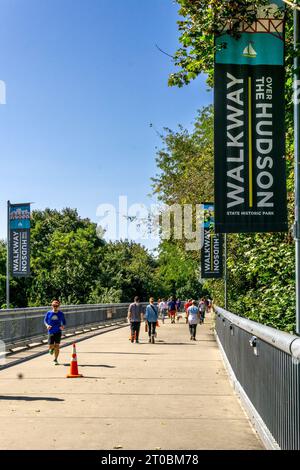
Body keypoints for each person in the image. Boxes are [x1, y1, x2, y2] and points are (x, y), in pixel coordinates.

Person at [44, 299, 66, 365]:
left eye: (56, 305)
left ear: (58, 306)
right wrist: (47, 325)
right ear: (52, 306)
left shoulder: (61, 314)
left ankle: (55, 359)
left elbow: (64, 322)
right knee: (51, 346)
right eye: (54, 305)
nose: (55, 307)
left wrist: (62, 326)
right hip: (51, 331)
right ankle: (51, 349)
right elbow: (45, 321)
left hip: (58, 331)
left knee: (57, 346)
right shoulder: (49, 313)